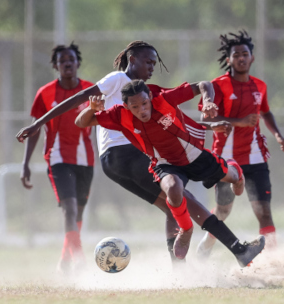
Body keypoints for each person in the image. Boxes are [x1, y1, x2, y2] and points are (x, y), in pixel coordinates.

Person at [16, 41, 232, 263]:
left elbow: (171, 120)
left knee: (173, 205)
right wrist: (38, 124)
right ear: (133, 60)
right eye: (148, 62)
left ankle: (180, 267)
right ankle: (235, 247)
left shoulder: (141, 92)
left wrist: (207, 125)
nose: (151, 68)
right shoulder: (118, 79)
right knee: (181, 198)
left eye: (154, 64)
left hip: (116, 160)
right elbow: (76, 99)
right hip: (123, 153)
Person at [75, 80, 266, 267]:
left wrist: (208, 100)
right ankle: (185, 230)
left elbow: (203, 84)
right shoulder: (119, 115)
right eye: (134, 107)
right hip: (165, 164)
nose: (141, 110)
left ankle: (236, 172)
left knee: (231, 176)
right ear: (125, 106)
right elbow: (81, 122)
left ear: (150, 97)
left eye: (144, 104)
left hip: (194, 155)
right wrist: (91, 108)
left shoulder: (163, 99)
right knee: (173, 190)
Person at [196, 30, 284, 257]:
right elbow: (206, 119)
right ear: (228, 59)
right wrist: (238, 122)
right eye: (236, 54)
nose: (241, 57)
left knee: (264, 212)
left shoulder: (260, 86)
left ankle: (273, 260)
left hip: (256, 157)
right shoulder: (218, 86)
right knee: (223, 211)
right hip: (225, 160)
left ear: (252, 58)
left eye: (245, 54)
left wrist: (277, 135)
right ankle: (205, 247)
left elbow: (266, 113)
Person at [20, 43, 94, 273]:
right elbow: (35, 129)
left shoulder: (91, 90)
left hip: (86, 159)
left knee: (79, 211)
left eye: (71, 59)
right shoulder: (45, 93)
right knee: (69, 209)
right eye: (62, 61)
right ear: (56, 66)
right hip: (58, 158)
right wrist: (25, 163)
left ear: (78, 62)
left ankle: (64, 260)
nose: (67, 63)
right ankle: (79, 259)